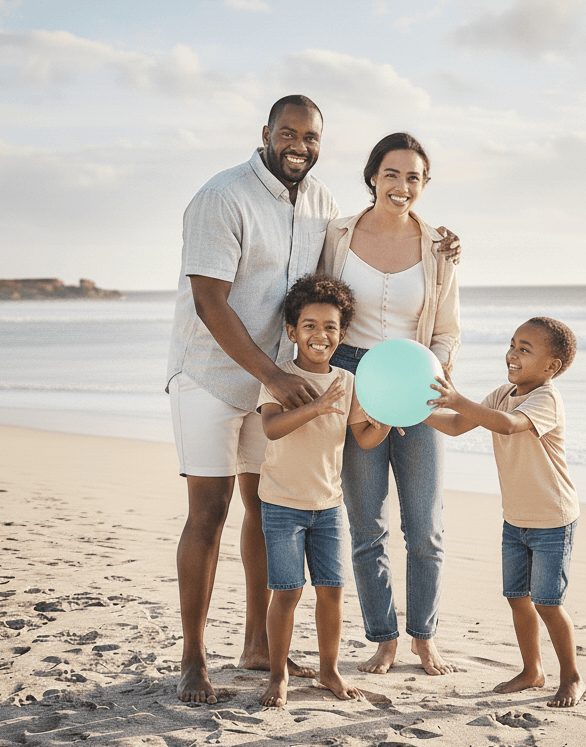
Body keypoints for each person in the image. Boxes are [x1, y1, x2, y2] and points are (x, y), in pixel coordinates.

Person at [166, 97, 460, 704]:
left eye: (311, 135)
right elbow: (209, 302)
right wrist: (276, 377)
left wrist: (442, 247)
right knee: (208, 510)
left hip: (282, 380)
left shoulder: (324, 204)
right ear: (266, 134)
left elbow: (334, 290)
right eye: (288, 133)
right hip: (213, 376)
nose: (299, 144)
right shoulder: (222, 196)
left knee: (262, 505)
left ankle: (255, 646)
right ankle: (193, 658)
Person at [318, 132, 460, 676]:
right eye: (393, 174)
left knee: (424, 526)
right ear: (373, 175)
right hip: (352, 379)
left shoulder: (439, 249)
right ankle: (384, 638)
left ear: (423, 185)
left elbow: (447, 330)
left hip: (416, 382)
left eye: (415, 178)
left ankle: (424, 636)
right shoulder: (335, 236)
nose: (403, 186)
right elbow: (314, 302)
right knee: (366, 524)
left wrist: (432, 377)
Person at [425, 317, 586, 707]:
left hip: (552, 518)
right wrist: (410, 411)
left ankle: (572, 676)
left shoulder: (546, 398)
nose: (512, 353)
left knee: (548, 602)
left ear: (551, 366)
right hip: (515, 519)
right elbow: (455, 425)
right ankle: (533, 670)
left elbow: (510, 425)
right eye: (512, 343)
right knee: (517, 596)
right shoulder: (502, 392)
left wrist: (458, 398)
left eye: (525, 349)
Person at [256, 273, 391, 707]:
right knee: (288, 591)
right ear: (293, 332)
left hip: (329, 506)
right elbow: (272, 428)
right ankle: (278, 674)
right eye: (310, 326)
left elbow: (364, 438)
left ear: (343, 334)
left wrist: (388, 418)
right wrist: (314, 406)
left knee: (331, 589)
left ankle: (329, 671)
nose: (321, 334)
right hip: (282, 505)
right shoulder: (279, 378)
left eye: (331, 327)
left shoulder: (347, 382)